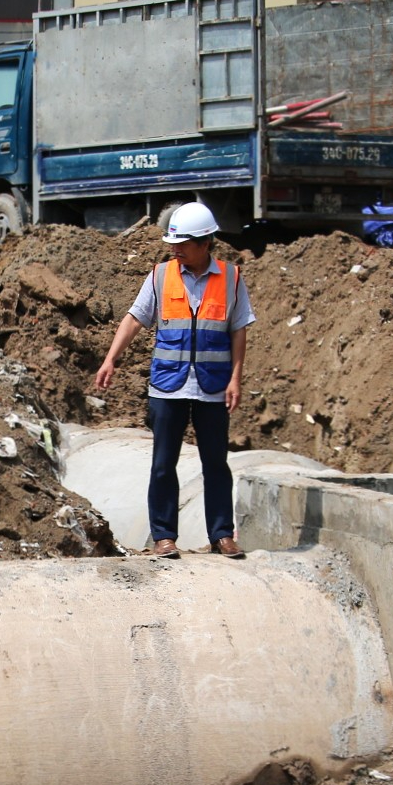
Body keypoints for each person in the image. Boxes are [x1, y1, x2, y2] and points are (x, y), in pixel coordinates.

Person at [95, 202, 255, 559]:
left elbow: (239, 330)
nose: (175, 250)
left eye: (182, 244)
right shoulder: (160, 276)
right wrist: (110, 359)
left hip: (213, 386)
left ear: (206, 242)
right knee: (163, 463)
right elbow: (135, 319)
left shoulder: (231, 278)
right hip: (169, 385)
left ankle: (222, 535)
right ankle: (164, 536)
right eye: (173, 244)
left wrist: (236, 379)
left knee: (216, 463)